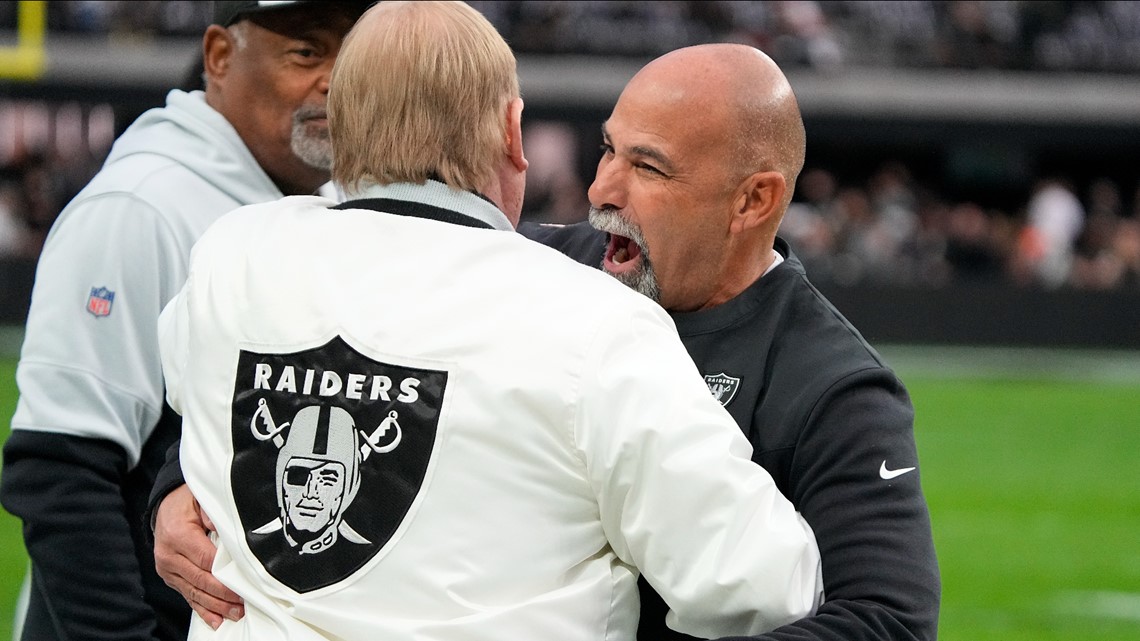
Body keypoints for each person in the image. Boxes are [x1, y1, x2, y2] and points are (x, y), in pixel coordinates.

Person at [152, 34, 938, 641]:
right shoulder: (539, 269)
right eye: (607, 149)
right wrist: (181, 486)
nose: (602, 189)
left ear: (752, 201)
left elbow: (887, 619)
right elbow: (337, 353)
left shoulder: (833, 385)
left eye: (649, 168)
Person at [0, 2, 369, 640]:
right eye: (307, 53)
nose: (336, 80)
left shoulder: (335, 210)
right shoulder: (139, 207)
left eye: (353, 56)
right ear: (220, 57)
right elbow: (61, 471)